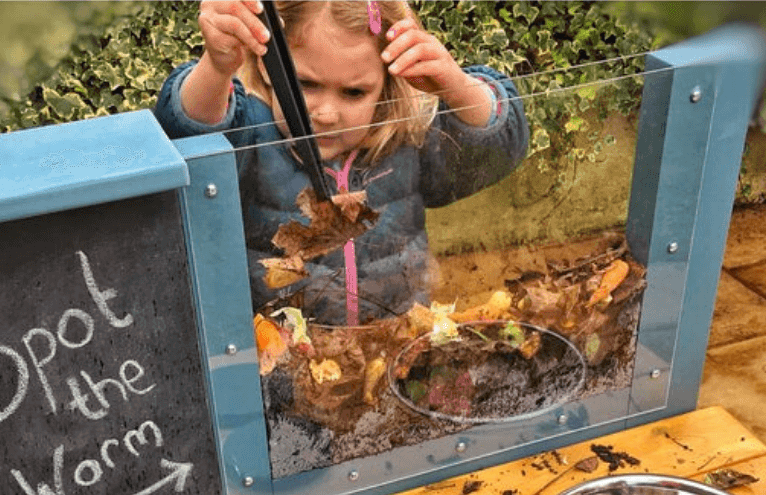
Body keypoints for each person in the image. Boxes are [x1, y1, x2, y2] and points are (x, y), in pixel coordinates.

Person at [155, 0, 528, 326]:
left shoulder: (405, 139)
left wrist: (457, 87)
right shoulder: (252, 133)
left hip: (393, 361)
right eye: (306, 84)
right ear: (268, 67)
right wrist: (217, 68)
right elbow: (187, 141)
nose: (328, 114)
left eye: (354, 92)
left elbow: (493, 154)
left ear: (388, 83)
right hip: (282, 375)